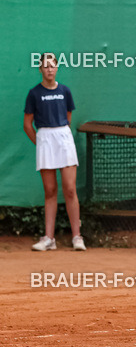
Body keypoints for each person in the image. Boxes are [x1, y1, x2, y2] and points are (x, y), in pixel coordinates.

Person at [24, 52, 86, 251]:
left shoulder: (65, 91)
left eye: (52, 65)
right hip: (45, 139)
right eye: (46, 66)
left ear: (57, 68)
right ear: (40, 69)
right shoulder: (34, 93)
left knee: (70, 189)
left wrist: (60, 136)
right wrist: (41, 143)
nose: (49, 69)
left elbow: (68, 117)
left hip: (63, 138)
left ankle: (77, 237)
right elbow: (27, 124)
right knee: (50, 190)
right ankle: (49, 239)